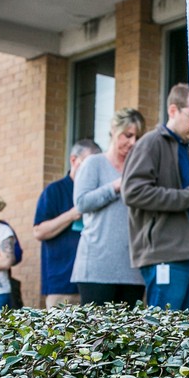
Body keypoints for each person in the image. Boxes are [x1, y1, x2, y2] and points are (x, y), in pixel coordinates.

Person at [124, 84, 189, 312]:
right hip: (164, 254)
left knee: (186, 332)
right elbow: (133, 191)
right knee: (163, 332)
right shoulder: (151, 142)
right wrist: (188, 197)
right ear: (173, 110)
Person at [72, 108, 147, 305]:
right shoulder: (94, 163)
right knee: (96, 335)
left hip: (133, 269)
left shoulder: (140, 168)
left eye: (137, 137)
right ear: (114, 130)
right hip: (97, 268)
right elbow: (81, 203)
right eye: (128, 135)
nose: (132, 142)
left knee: (128, 335)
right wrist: (114, 187)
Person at [34, 140, 101, 308]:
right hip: (61, 282)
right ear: (73, 160)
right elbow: (39, 232)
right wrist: (73, 214)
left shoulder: (99, 192)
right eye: (88, 163)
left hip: (95, 280)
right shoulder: (54, 191)